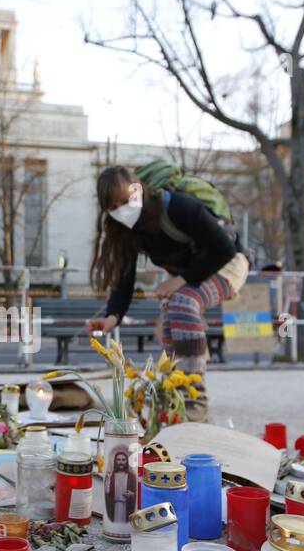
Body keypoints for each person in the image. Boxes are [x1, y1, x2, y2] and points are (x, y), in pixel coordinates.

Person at [85, 165, 249, 419]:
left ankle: (195, 396)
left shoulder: (178, 208)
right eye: (113, 207)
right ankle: (173, 391)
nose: (122, 210)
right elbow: (124, 278)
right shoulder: (126, 231)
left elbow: (225, 249)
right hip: (193, 273)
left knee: (183, 303)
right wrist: (112, 316)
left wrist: (180, 279)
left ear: (139, 190)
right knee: (170, 315)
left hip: (227, 263)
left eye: (126, 200)